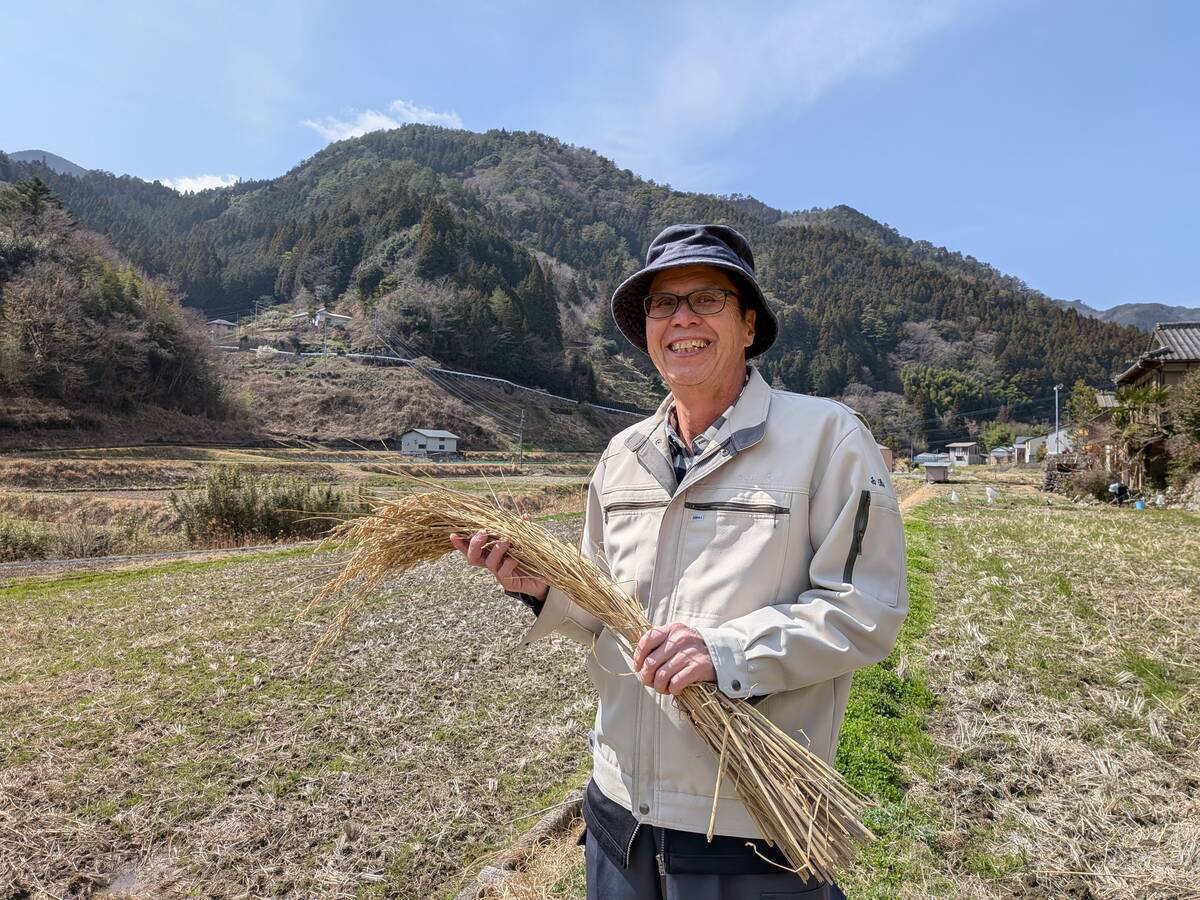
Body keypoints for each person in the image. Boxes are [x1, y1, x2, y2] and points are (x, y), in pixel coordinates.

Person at [452, 224, 908, 899]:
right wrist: (540, 587)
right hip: (618, 817)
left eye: (707, 299)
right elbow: (604, 613)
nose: (682, 318)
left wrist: (724, 652)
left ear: (749, 325)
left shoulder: (826, 438)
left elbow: (865, 609)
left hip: (748, 829)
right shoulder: (622, 456)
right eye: (663, 304)